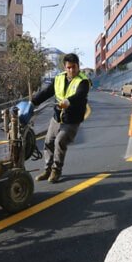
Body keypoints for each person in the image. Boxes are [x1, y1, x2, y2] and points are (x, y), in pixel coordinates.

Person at [31, 53, 90, 183]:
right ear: (64, 67)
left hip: (72, 119)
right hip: (57, 117)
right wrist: (33, 102)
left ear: (78, 66)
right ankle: (47, 170)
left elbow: (80, 95)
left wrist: (68, 101)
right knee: (48, 142)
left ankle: (56, 171)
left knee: (59, 141)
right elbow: (46, 92)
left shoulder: (83, 81)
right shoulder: (58, 78)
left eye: (74, 67)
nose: (71, 70)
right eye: (68, 67)